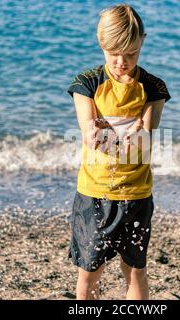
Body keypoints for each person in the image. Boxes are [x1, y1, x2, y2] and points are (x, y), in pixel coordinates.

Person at [66, 3, 171, 300]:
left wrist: (141, 132)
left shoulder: (153, 87)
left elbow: (148, 130)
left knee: (135, 269)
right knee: (90, 270)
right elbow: (88, 131)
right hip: (95, 193)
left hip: (137, 194)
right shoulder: (87, 84)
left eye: (131, 54)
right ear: (101, 45)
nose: (122, 62)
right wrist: (95, 132)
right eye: (114, 55)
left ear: (143, 42)